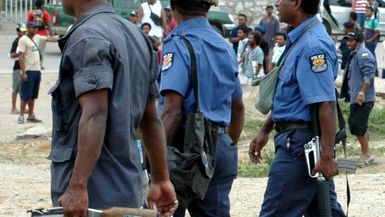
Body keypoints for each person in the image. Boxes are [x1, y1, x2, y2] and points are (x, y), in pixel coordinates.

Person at [49, 1, 178, 216]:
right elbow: (151, 120)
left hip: (93, 197)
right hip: (125, 187)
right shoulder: (135, 35)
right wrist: (161, 178)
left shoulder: (87, 37)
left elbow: (95, 114)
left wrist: (78, 186)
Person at [248, 1, 346, 216]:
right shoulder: (299, 39)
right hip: (297, 140)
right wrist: (265, 130)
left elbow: (325, 102)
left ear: (296, 3)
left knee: (275, 212)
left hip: (300, 145)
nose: (276, 3)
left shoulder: (313, 45)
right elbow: (292, 97)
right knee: (324, 211)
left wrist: (327, 156)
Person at [159, 0, 245, 216]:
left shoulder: (178, 42)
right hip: (219, 144)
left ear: (173, 6)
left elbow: (172, 111)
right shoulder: (224, 45)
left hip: (184, 146)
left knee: (166, 209)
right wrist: (227, 145)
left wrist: (156, 163)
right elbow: (238, 107)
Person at [345, 31, 376, 166]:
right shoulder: (355, 54)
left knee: (356, 124)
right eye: (347, 40)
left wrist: (362, 93)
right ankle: (366, 153)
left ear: (357, 41)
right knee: (359, 125)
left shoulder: (364, 55)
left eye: (351, 40)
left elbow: (368, 76)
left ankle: (366, 154)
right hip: (356, 97)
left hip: (363, 98)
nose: (348, 43)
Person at [18, 21, 56, 124]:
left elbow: (49, 39)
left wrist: (61, 37)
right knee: (25, 94)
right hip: (28, 70)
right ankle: (21, 115)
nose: (36, 29)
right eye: (34, 28)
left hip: (37, 70)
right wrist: (23, 72)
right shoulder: (23, 40)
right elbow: (21, 57)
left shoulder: (37, 37)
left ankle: (31, 115)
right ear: (28, 28)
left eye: (37, 28)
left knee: (33, 94)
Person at [26, 0, 54, 69]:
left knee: (33, 50)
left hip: (33, 35)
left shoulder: (31, 13)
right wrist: (51, 33)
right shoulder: (45, 13)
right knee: (41, 51)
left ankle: (32, 64)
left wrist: (27, 33)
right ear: (42, 5)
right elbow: (48, 24)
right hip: (43, 34)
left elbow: (27, 24)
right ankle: (40, 65)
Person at [9, 23, 27, 114]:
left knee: (24, 88)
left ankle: (23, 107)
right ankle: (13, 107)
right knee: (16, 88)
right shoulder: (16, 41)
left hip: (25, 66)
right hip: (17, 67)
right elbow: (12, 54)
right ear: (18, 31)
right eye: (21, 31)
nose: (23, 33)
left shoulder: (25, 41)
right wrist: (20, 54)